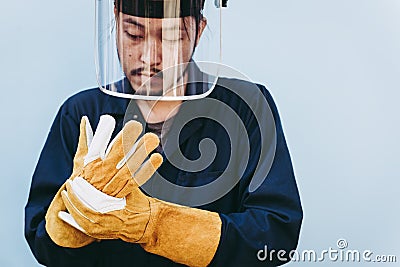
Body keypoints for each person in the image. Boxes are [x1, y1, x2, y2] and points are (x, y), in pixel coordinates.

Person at [24, 0, 303, 266]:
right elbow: (42, 241)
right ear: (116, 21)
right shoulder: (82, 112)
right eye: (133, 34)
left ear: (199, 30)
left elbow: (276, 234)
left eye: (170, 38)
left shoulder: (248, 106)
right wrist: (71, 225)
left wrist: (158, 226)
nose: (149, 57)